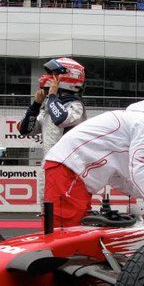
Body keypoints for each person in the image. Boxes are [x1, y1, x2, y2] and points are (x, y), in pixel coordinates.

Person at [43, 99, 144, 227]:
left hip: (73, 172)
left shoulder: (137, 124)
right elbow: (140, 173)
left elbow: (118, 178)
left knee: (76, 232)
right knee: (67, 233)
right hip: (70, 170)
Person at [18, 57, 86, 202]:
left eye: (54, 74)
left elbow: (61, 119)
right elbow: (25, 130)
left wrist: (53, 96)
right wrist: (36, 105)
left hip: (69, 167)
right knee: (46, 210)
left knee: (64, 210)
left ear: (69, 77)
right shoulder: (49, 106)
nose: (47, 78)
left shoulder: (75, 105)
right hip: (49, 165)